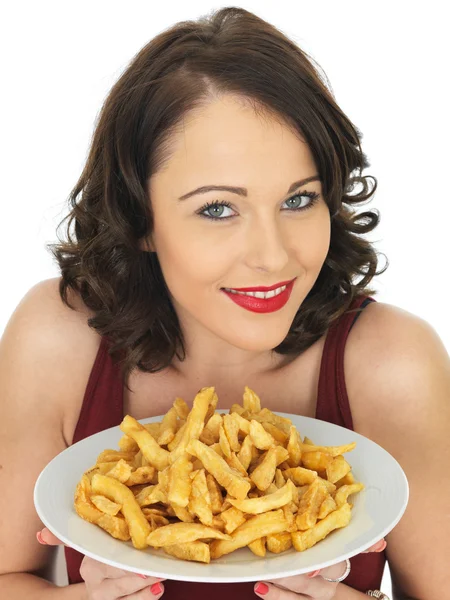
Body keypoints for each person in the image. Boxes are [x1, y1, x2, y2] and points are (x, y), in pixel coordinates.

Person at [0, 6, 448, 600]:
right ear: (140, 219)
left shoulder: (395, 363)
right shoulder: (57, 339)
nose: (272, 256)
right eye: (218, 208)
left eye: (298, 200)